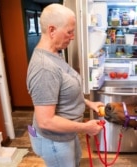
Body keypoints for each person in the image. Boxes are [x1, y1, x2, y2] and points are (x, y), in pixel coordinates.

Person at [26, 4, 104, 167]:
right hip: (54, 141)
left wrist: (89, 103)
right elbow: (45, 121)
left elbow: (64, 91)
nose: (73, 36)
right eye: (69, 32)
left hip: (66, 134)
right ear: (52, 30)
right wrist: (85, 127)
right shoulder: (44, 67)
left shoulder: (55, 53)